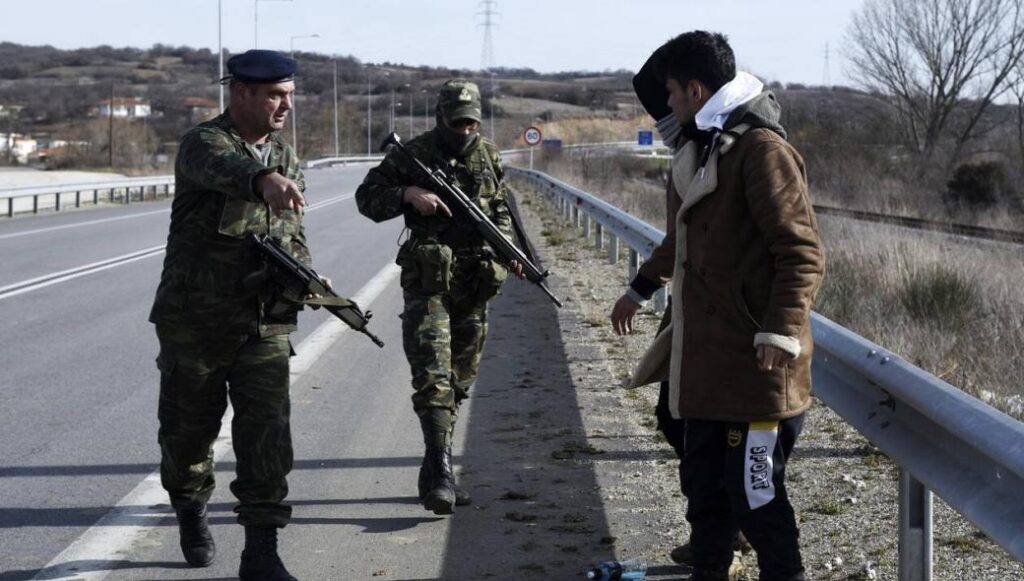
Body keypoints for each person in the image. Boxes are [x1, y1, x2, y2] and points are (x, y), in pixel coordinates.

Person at [629, 31, 824, 581]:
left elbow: (803, 251)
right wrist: (641, 287)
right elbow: (685, 241)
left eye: (670, 93)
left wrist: (780, 330)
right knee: (705, 486)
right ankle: (709, 570)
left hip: (756, 364)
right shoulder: (705, 146)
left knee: (755, 493)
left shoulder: (761, 150)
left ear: (694, 90)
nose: (666, 106)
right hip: (708, 361)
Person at [148, 49, 310, 581]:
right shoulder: (205, 142)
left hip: (263, 323)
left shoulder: (286, 156)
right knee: (187, 435)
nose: (285, 104)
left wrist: (309, 278)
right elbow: (228, 168)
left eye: (289, 93)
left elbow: (291, 238)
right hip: (195, 322)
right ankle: (190, 506)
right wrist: (262, 180)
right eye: (274, 95)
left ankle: (261, 550)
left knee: (267, 435)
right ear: (240, 93)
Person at [355, 79, 522, 516]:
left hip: (475, 284)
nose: (465, 130)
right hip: (429, 283)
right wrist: (408, 194)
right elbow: (366, 198)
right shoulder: (413, 154)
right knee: (432, 375)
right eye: (457, 122)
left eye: (472, 123)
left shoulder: (489, 156)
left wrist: (510, 251)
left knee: (460, 380)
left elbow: (501, 208)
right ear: (440, 117)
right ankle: (443, 471)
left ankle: (434, 466)